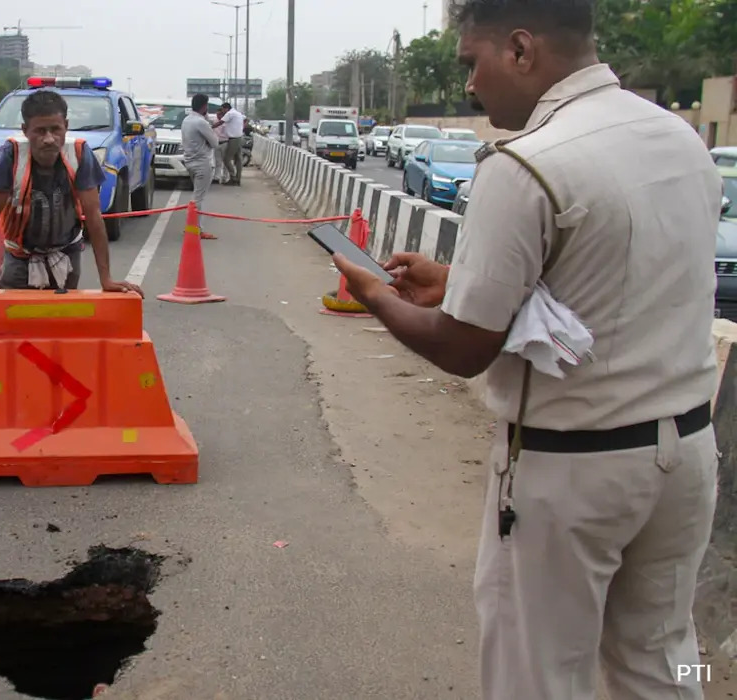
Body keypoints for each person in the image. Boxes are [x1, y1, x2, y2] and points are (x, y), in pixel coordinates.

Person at [332, 1, 721, 699]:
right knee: (665, 657)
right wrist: (459, 282)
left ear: (519, 49)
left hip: (573, 471)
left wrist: (375, 296)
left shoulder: (524, 166)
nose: (469, 86)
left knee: (536, 673)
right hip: (686, 457)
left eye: (471, 62)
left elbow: (461, 348)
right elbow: (615, 284)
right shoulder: (680, 140)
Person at [0, 89, 144, 300]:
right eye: (40, 131)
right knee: (16, 320)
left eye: (55, 130)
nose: (49, 139)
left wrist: (106, 279)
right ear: (25, 130)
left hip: (66, 254)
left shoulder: (79, 152)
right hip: (19, 255)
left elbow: (94, 217)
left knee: (62, 318)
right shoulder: (11, 154)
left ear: (66, 127)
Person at [180, 93, 219, 232]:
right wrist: (207, 119)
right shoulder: (201, 122)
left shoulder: (186, 120)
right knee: (198, 198)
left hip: (190, 161)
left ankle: (194, 227)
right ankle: (195, 229)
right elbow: (215, 143)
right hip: (202, 163)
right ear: (204, 106)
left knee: (197, 195)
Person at [215, 102, 245, 185]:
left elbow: (220, 123)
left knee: (226, 159)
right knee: (238, 160)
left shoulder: (229, 113)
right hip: (239, 137)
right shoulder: (237, 113)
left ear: (226, 108)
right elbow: (245, 119)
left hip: (233, 139)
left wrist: (211, 127)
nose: (222, 112)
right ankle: (238, 179)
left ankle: (233, 177)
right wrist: (241, 128)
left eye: (222, 110)